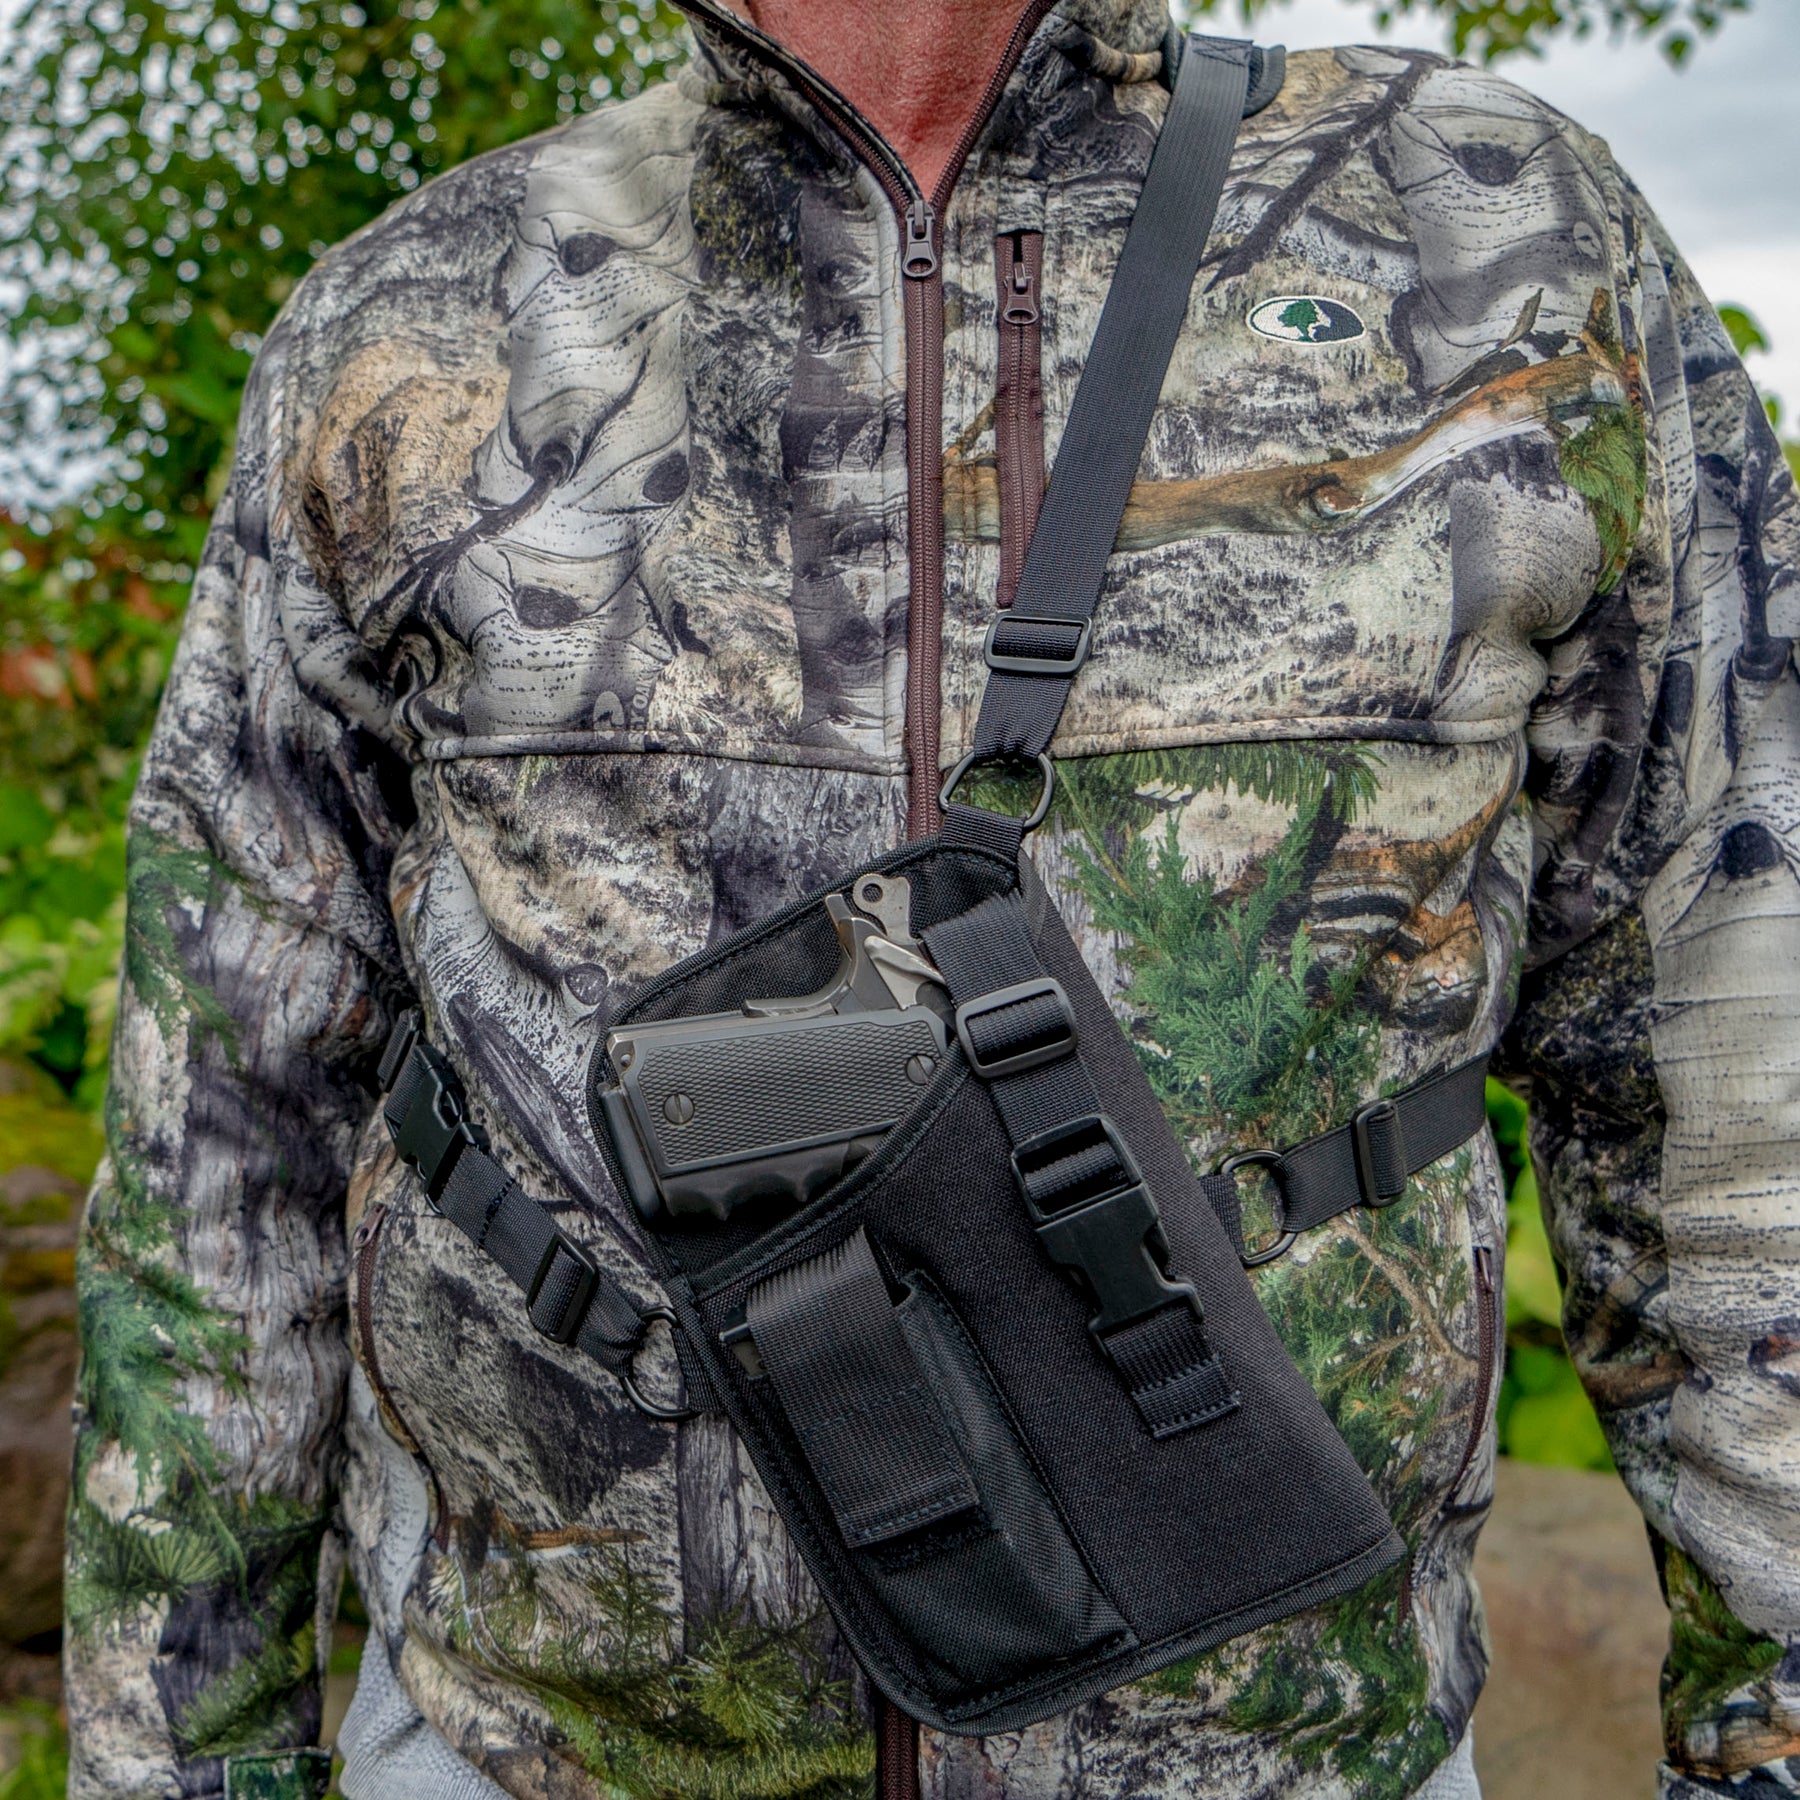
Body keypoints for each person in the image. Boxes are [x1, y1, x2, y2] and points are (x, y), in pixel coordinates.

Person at [62, 0, 1799, 1794]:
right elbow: (222, 1153)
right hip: (538, 1752)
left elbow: (1739, 1075)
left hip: (1287, 1751)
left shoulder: (1492, 233)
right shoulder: (410, 323)